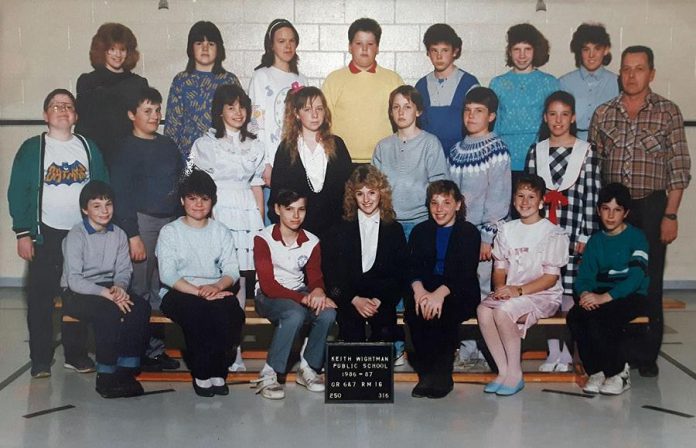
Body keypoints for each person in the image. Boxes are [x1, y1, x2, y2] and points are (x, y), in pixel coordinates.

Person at [589, 45, 691, 377]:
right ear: (619, 72)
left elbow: (679, 169)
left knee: (648, 278)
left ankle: (646, 353)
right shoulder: (604, 112)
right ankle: (616, 349)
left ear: (652, 73)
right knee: (611, 277)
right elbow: (594, 166)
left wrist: (670, 215)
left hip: (650, 207)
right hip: (613, 209)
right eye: (626, 69)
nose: (632, 75)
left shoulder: (668, 112)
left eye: (639, 68)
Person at [8, 88, 109, 378]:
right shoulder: (32, 148)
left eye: (68, 106)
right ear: (45, 115)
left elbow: (102, 188)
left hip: (81, 235)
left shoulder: (88, 148)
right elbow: (18, 191)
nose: (62, 109)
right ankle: (40, 359)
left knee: (77, 297)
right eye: (55, 105)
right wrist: (23, 233)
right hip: (45, 234)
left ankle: (75, 354)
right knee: (40, 298)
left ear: (75, 115)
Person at [189, 84, 265, 372]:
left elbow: (257, 185)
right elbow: (187, 176)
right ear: (219, 111)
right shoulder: (203, 144)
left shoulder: (255, 145)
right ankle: (213, 349)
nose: (237, 113)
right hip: (216, 211)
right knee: (215, 279)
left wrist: (257, 222)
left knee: (240, 284)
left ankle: (236, 352)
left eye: (241, 107)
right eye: (231, 107)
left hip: (246, 214)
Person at [526, 90, 600, 372]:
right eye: (553, 114)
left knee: (569, 291)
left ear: (573, 117)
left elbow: (591, 196)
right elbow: (530, 194)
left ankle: (570, 351)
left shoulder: (585, 151)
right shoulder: (537, 151)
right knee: (547, 290)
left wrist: (585, 234)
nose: (558, 120)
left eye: (564, 114)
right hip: (543, 230)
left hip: (572, 230)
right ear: (545, 117)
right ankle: (553, 352)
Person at [110, 86, 184, 372]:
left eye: (157, 110)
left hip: (169, 223)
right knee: (139, 290)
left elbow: (183, 175)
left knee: (160, 287)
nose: (155, 116)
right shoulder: (125, 149)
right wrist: (133, 235)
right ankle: (133, 352)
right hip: (142, 224)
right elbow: (121, 195)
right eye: (147, 111)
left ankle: (154, 350)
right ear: (132, 115)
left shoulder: (167, 145)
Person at [156, 170, 246, 397]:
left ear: (212, 202)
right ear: (182, 200)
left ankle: (218, 370)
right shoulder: (170, 231)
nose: (198, 205)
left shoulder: (221, 231)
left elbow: (231, 271)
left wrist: (216, 287)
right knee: (198, 313)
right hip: (179, 291)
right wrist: (200, 292)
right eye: (192, 198)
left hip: (214, 289)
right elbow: (168, 275)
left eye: (204, 199)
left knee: (231, 312)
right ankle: (202, 373)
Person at [477, 175, 569, 396]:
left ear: (541, 202)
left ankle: (515, 374)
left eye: (531, 197)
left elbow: (550, 278)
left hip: (543, 293)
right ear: (513, 200)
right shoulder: (507, 229)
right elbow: (499, 269)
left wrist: (516, 291)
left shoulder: (551, 232)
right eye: (520, 196)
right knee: (483, 310)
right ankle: (503, 371)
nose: (525, 202)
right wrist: (500, 288)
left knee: (503, 312)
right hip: (512, 291)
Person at [60, 181, 150, 398]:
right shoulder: (76, 234)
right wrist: (107, 295)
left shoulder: (118, 234)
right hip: (77, 292)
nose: (104, 211)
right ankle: (106, 375)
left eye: (108, 205)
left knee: (139, 308)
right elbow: (74, 280)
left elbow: (123, 270)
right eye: (97, 205)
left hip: (108, 288)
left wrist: (119, 289)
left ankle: (126, 371)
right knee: (107, 312)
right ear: (85, 209)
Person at [446, 87, 510, 368]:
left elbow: (498, 199)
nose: (471, 116)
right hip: (458, 236)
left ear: (491, 116)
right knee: (462, 290)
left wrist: (488, 237)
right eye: (467, 110)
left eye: (479, 111)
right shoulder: (456, 150)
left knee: (486, 291)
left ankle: (491, 351)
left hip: (485, 238)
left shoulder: (496, 149)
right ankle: (468, 347)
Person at [252, 190, 337, 400]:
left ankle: (308, 368)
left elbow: (315, 277)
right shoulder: (263, 238)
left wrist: (318, 291)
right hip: (267, 295)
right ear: (277, 209)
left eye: (301, 209)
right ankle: (269, 373)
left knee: (327, 313)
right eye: (289, 209)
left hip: (298, 293)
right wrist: (304, 298)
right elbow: (269, 285)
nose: (295, 216)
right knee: (295, 314)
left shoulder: (312, 241)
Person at [567, 183, 648, 396]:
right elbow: (584, 276)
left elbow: (636, 277)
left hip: (631, 294)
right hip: (601, 293)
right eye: (606, 209)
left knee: (606, 317)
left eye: (617, 210)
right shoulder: (595, 241)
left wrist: (606, 297)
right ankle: (597, 370)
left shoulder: (636, 237)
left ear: (626, 213)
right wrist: (585, 294)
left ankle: (619, 372)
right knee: (576, 316)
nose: (611, 216)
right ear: (598, 210)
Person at [405, 180, 480, 399]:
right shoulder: (420, 231)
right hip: (426, 288)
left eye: (446, 203)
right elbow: (412, 267)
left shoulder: (469, 232)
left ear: (458, 205)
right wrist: (420, 292)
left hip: (458, 289)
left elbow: (465, 272)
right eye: (434, 203)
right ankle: (426, 374)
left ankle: (442, 375)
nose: (439, 209)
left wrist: (438, 295)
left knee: (443, 313)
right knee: (416, 311)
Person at [322, 165, 407, 344]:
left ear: (381, 194)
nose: (366, 199)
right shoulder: (339, 229)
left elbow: (399, 273)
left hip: (380, 299)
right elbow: (332, 274)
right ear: (353, 196)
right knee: (352, 337)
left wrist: (378, 300)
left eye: (372, 193)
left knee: (384, 335)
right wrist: (354, 299)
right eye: (360, 193)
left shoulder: (394, 229)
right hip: (351, 298)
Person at [269, 86, 352, 239]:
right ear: (296, 114)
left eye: (319, 109)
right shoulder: (287, 148)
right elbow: (277, 195)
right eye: (307, 109)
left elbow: (349, 190)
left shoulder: (337, 144)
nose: (314, 115)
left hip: (335, 231)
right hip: (299, 232)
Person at [248, 19, 308, 224]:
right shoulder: (261, 76)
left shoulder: (302, 79)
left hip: (297, 161)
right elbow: (255, 124)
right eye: (282, 41)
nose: (288, 46)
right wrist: (264, 163)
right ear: (271, 45)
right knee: (272, 221)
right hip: (271, 163)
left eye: (292, 41)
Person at [489, 23, 559, 200]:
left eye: (527, 49)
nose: (522, 55)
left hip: (539, 158)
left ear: (535, 51)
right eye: (516, 49)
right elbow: (493, 125)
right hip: (505, 160)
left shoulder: (549, 83)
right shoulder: (497, 83)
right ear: (509, 51)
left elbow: (556, 125)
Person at [322, 17, 404, 162]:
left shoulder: (393, 80)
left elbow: (404, 121)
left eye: (370, 44)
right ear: (349, 47)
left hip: (384, 159)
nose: (365, 49)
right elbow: (324, 123)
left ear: (377, 48)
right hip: (342, 160)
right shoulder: (333, 80)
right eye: (359, 43)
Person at [373, 85, 448, 238]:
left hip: (421, 222)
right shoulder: (383, 146)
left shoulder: (430, 143)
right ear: (391, 112)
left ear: (418, 111)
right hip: (389, 222)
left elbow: (440, 186)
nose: (401, 112)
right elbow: (374, 186)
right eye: (396, 107)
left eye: (407, 107)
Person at [75, 23, 149, 168]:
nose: (118, 54)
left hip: (128, 157)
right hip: (95, 155)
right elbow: (82, 126)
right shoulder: (87, 81)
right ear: (102, 51)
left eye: (122, 49)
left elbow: (143, 125)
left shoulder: (138, 83)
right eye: (112, 49)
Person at [164, 21, 241, 159]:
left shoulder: (229, 81)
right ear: (191, 48)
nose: (205, 49)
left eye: (211, 44)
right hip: (188, 158)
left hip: (224, 157)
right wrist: (170, 159)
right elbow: (172, 125)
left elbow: (240, 118)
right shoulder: (181, 81)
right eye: (199, 43)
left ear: (218, 49)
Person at [415, 23, 480, 154]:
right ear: (428, 52)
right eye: (434, 50)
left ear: (455, 51)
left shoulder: (469, 84)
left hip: (462, 156)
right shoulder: (421, 86)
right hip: (429, 156)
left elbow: (479, 126)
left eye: (445, 50)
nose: (439, 56)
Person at [559, 23, 618, 141]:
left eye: (597, 48)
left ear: (606, 50)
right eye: (586, 49)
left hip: (608, 146)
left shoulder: (617, 82)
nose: (591, 55)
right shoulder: (564, 83)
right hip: (573, 146)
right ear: (579, 52)